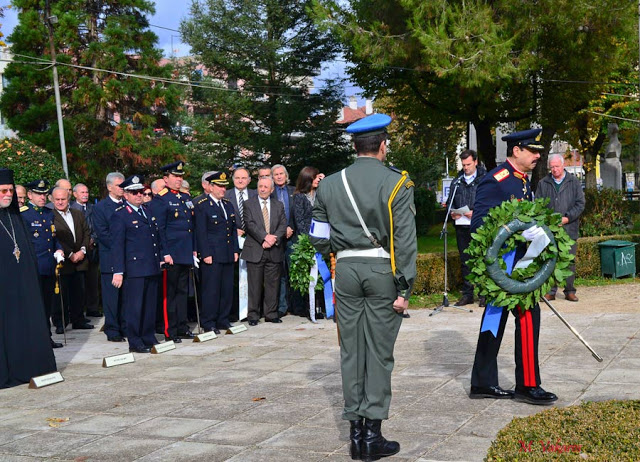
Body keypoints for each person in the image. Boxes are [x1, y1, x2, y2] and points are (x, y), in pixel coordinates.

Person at [310, 113, 417, 461]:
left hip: (346, 269)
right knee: (379, 354)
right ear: (383, 146)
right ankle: (372, 436)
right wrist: (405, 289)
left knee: (351, 351)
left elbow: (316, 236)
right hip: (381, 268)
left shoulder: (328, 184)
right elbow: (404, 240)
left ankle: (355, 432)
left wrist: (338, 253)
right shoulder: (397, 182)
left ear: (355, 146)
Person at [469, 128, 557, 406]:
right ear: (516, 151)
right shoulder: (496, 180)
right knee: (527, 316)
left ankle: (482, 382)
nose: (537, 155)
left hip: (520, 266)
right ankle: (528, 385)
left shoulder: (522, 181)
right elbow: (479, 225)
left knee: (495, 320)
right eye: (532, 150)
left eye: (539, 151)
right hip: (504, 267)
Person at [0, 168, 57, 388]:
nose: (8, 195)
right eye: (3, 190)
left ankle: (31, 366)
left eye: (11, 191)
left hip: (22, 287)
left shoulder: (17, 218)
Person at [111, 175, 162, 354]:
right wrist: (118, 271)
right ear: (126, 194)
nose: (138, 195)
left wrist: (160, 259)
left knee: (149, 306)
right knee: (135, 307)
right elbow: (117, 245)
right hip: (134, 269)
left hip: (151, 266)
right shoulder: (121, 215)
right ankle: (135, 340)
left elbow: (155, 239)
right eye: (134, 192)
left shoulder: (146, 212)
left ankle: (148, 336)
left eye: (140, 192)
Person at [148, 161, 195, 342]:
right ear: (165, 179)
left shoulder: (184, 198)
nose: (178, 180)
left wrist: (193, 250)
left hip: (184, 252)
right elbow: (159, 230)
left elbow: (190, 227)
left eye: (180, 176)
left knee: (183, 292)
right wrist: (164, 253)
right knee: (170, 294)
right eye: (175, 176)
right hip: (171, 254)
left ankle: (182, 326)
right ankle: (170, 330)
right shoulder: (161, 200)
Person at [21, 179, 65, 348]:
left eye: (44, 194)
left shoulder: (48, 213)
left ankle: (47, 337)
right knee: (35, 307)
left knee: (47, 305)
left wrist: (59, 249)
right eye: (38, 194)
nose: (42, 197)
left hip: (48, 266)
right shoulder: (24, 214)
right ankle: (35, 339)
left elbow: (53, 238)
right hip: (34, 267)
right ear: (30, 195)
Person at [535, 154, 585, 302]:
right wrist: (548, 220)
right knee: (550, 259)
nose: (554, 170)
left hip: (569, 227)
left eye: (557, 166)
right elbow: (538, 204)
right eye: (552, 167)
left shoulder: (573, 182)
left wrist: (567, 218)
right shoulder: (543, 183)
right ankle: (550, 290)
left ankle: (569, 290)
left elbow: (580, 203)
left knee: (569, 260)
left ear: (563, 166)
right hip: (550, 229)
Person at [194, 171, 239, 334]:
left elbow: (232, 230)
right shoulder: (202, 205)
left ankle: (223, 319)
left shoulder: (227, 204)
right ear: (211, 187)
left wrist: (235, 250)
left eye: (224, 186)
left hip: (227, 253)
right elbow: (201, 232)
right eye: (219, 186)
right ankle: (209, 321)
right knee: (211, 290)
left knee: (226, 289)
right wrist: (205, 253)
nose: (223, 189)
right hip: (212, 254)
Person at [242, 176, 287, 326]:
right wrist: (264, 238)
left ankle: (271, 313)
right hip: (256, 249)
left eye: (265, 187)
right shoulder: (249, 204)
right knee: (254, 285)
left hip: (274, 249)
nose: (262, 189)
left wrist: (273, 239)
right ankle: (253, 315)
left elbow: (282, 225)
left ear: (272, 189)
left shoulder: (278, 205)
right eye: (260, 186)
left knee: (273, 284)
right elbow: (250, 224)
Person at [445, 149, 487, 307]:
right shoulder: (457, 181)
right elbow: (450, 202)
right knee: (466, 261)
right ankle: (468, 293)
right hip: (461, 227)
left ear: (475, 162)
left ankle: (484, 293)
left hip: (479, 225)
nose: (466, 168)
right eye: (463, 165)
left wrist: (476, 212)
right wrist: (452, 212)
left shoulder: (484, 179)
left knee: (481, 259)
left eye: (468, 164)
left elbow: (488, 202)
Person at [51, 186, 93, 332]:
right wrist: (70, 254)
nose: (60, 202)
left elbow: (86, 233)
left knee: (79, 292)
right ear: (52, 199)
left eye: (63, 199)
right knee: (61, 294)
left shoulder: (77, 214)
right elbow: (55, 239)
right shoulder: (50, 216)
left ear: (69, 199)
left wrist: (82, 250)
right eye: (57, 199)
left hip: (80, 260)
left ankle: (78, 319)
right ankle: (60, 323)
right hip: (63, 261)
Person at [93, 172, 127, 342]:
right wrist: (122, 246)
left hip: (128, 258)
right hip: (111, 258)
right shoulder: (100, 208)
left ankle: (126, 326)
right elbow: (103, 234)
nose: (122, 189)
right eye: (119, 185)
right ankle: (112, 329)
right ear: (109, 187)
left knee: (127, 297)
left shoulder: (127, 204)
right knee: (111, 298)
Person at [292, 166, 325, 318]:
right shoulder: (299, 197)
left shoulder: (320, 194)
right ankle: (308, 307)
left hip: (321, 239)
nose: (318, 179)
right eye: (315, 177)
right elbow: (300, 221)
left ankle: (319, 307)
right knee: (308, 276)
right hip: (306, 241)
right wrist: (309, 240)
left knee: (320, 274)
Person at [225, 167, 257, 321]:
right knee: (233, 278)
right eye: (237, 178)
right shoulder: (226, 195)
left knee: (253, 277)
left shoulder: (255, 194)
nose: (240, 180)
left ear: (249, 180)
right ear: (233, 179)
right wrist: (233, 230)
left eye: (243, 178)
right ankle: (233, 311)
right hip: (232, 241)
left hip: (253, 240)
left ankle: (252, 311)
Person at [71, 183, 101, 318]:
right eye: (82, 192)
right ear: (75, 194)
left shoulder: (93, 208)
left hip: (92, 250)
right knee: (79, 284)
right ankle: (78, 311)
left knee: (92, 281)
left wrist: (93, 239)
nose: (85, 195)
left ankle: (93, 308)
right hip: (77, 251)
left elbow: (97, 226)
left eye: (87, 192)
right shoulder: (71, 208)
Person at [271, 164, 295, 316]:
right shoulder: (270, 193)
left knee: (294, 271)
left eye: (281, 174)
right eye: (276, 174)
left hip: (292, 235)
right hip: (276, 237)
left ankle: (296, 305)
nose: (279, 176)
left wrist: (291, 226)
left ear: (286, 176)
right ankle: (281, 307)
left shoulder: (294, 191)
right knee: (279, 274)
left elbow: (298, 212)